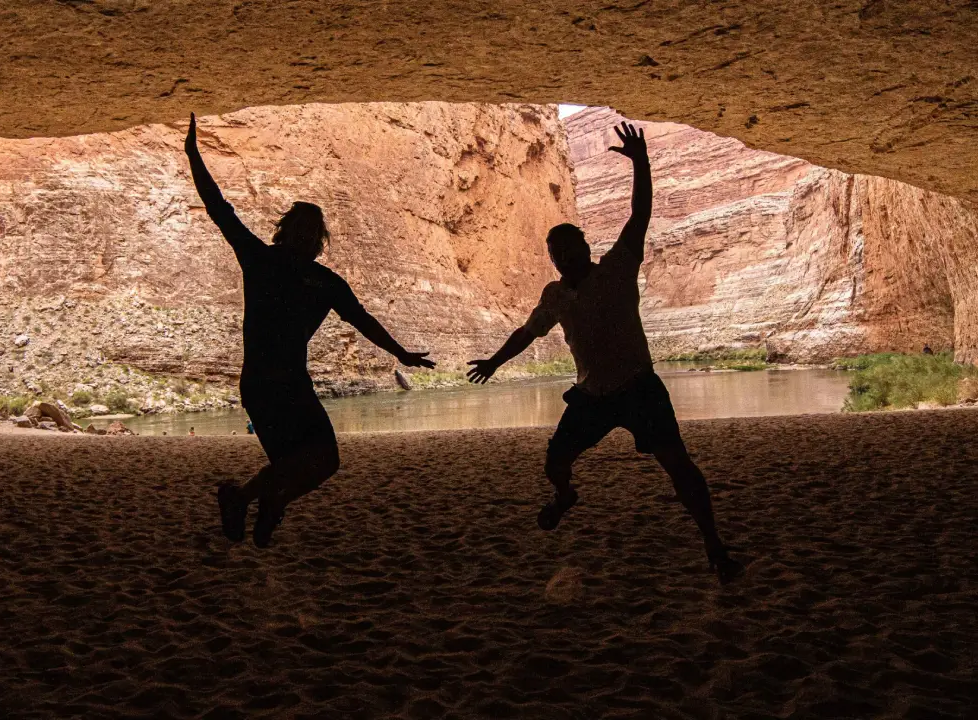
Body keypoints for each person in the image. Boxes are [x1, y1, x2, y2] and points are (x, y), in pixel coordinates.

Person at [466, 122, 744, 584]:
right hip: (592, 396)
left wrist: (641, 163)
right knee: (555, 464)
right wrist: (495, 361)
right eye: (554, 252)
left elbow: (640, 215)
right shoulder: (554, 296)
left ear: (585, 248)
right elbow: (527, 332)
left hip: (639, 388)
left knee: (680, 468)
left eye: (567, 248)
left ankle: (715, 548)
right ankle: (564, 496)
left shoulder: (617, 269)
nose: (560, 257)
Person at [185, 113, 435, 547]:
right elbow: (218, 208)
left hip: (276, 385)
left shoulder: (276, 264)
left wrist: (401, 353)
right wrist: (193, 155)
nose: (306, 237)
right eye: (305, 230)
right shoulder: (298, 272)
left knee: (311, 461)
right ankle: (255, 500)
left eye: (309, 231)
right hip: (274, 385)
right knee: (314, 460)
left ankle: (254, 500)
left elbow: (219, 209)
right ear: (310, 237)